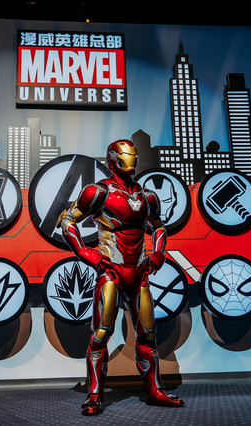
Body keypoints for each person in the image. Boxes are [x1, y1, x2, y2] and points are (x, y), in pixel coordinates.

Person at [57, 139, 184, 415]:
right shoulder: (97, 192)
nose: (131, 161)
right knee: (101, 334)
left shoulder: (147, 196)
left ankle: (154, 390)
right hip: (110, 272)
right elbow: (67, 221)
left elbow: (158, 227)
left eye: (133, 156)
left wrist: (158, 253)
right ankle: (94, 395)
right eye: (126, 156)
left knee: (148, 335)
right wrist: (85, 252)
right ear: (114, 159)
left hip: (139, 273)